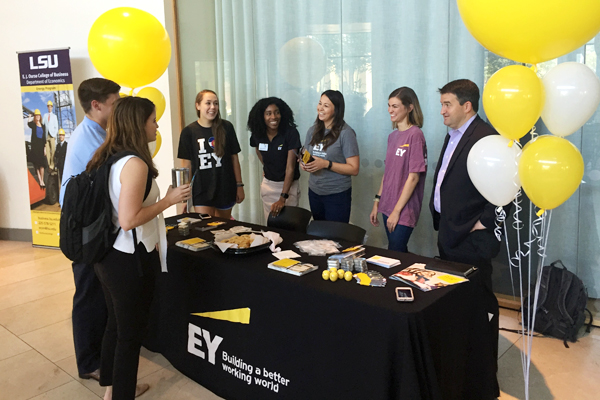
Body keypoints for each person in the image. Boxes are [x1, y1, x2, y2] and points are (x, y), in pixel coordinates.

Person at [87, 96, 190, 400]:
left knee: (115, 326)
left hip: (108, 254)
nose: (157, 125)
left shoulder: (107, 156)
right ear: (138, 123)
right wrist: (168, 201)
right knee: (129, 335)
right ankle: (121, 394)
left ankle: (111, 390)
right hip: (127, 260)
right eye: (152, 119)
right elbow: (129, 219)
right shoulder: (134, 164)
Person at [429, 78, 502, 398]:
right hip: (448, 231)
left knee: (479, 304)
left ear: (466, 105)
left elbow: (508, 189)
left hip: (470, 238)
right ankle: (461, 365)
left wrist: (481, 224)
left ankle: (484, 376)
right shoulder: (455, 133)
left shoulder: (487, 138)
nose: (441, 110)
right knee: (455, 302)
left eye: (447, 104)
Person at [59, 78, 121, 384]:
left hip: (90, 223)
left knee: (97, 292)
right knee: (88, 293)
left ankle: (97, 354)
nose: (118, 106)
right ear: (96, 105)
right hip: (83, 227)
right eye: (114, 102)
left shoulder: (99, 131)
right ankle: (90, 362)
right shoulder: (89, 138)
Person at [369, 87, 427, 252]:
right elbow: (387, 173)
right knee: (396, 252)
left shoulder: (415, 135)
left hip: (403, 209)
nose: (390, 110)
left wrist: (396, 211)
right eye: (389, 105)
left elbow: (413, 177)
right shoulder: (392, 136)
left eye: (395, 106)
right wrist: (377, 202)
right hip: (387, 204)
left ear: (409, 107)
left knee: (396, 251)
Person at [177, 89, 244, 218]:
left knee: (223, 229)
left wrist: (239, 185)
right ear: (198, 105)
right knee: (205, 227)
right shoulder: (188, 132)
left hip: (225, 187)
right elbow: (186, 165)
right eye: (208, 103)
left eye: (216, 103)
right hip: (201, 189)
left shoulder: (226, 127)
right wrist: (185, 196)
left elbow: (234, 158)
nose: (212, 107)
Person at [301, 90, 359, 222]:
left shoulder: (346, 133)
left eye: (326, 106)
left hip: (337, 194)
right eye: (320, 103)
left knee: (336, 237)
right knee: (319, 235)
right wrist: (304, 163)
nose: (320, 108)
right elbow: (306, 154)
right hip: (315, 191)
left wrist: (326, 164)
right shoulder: (313, 130)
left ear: (336, 109)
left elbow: (354, 169)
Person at [247, 97, 301, 221]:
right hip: (269, 186)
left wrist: (283, 198)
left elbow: (290, 168)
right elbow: (257, 149)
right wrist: (266, 165)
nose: (274, 117)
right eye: (268, 113)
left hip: (288, 187)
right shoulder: (258, 134)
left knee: (289, 228)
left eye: (277, 112)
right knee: (271, 228)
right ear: (261, 116)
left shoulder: (290, 133)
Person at [27, 109, 47, 188]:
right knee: (36, 164)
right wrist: (29, 117)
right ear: (35, 117)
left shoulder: (43, 126)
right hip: (35, 146)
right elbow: (28, 124)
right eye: (36, 115)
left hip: (41, 146)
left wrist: (45, 148)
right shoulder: (33, 124)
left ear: (40, 116)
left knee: (42, 164)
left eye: (38, 115)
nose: (37, 117)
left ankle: (42, 179)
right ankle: (40, 180)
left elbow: (44, 137)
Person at [43, 100, 59, 170]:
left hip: (52, 135)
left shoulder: (54, 116)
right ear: (47, 107)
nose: (49, 108)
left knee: (53, 150)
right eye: (48, 106)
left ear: (52, 107)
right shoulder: (45, 116)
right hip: (46, 136)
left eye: (50, 106)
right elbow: (43, 124)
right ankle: (49, 165)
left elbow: (56, 126)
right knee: (47, 152)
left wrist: (54, 134)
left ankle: (52, 164)